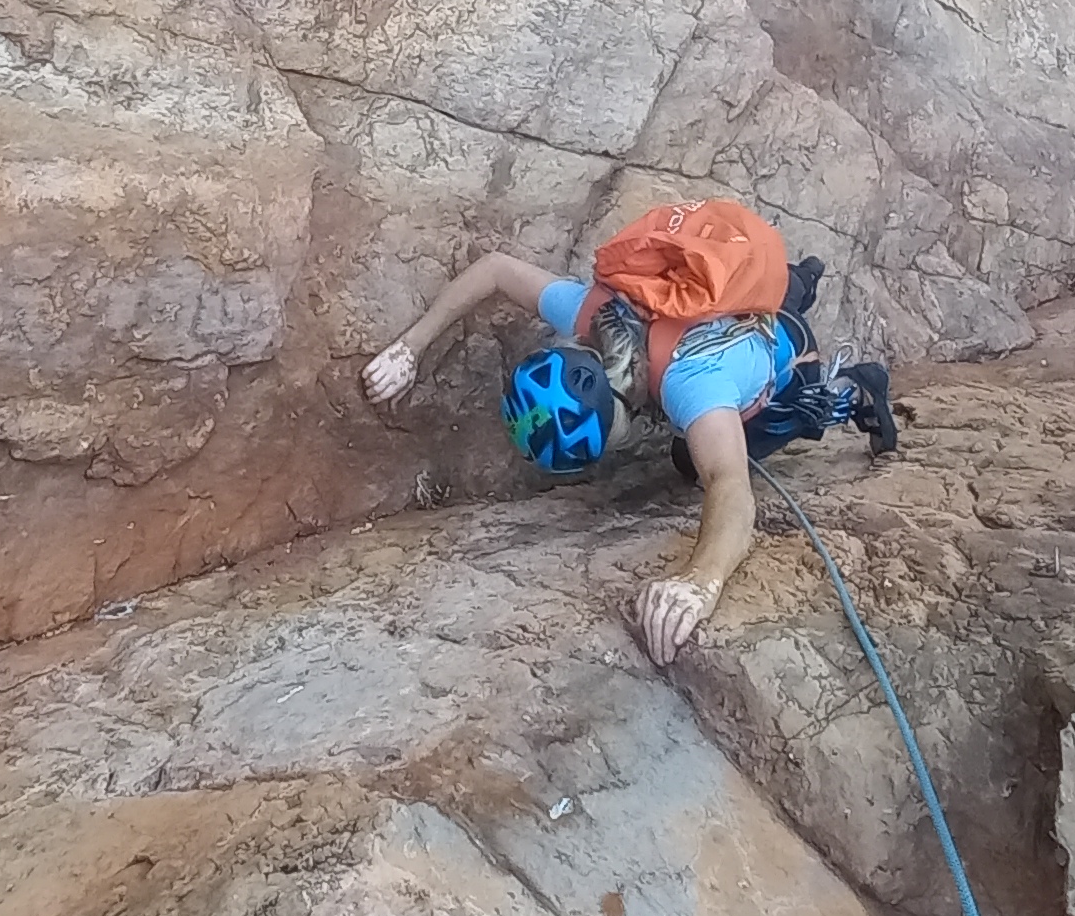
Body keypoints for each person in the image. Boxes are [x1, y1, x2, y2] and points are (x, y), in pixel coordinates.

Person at [361, 223, 891, 665]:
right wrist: (410, 348)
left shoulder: (693, 389)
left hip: (788, 352)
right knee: (742, 355)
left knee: (689, 460)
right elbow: (497, 269)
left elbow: (730, 485)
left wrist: (700, 581)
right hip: (736, 308)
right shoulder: (588, 312)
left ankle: (849, 391)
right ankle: (796, 282)